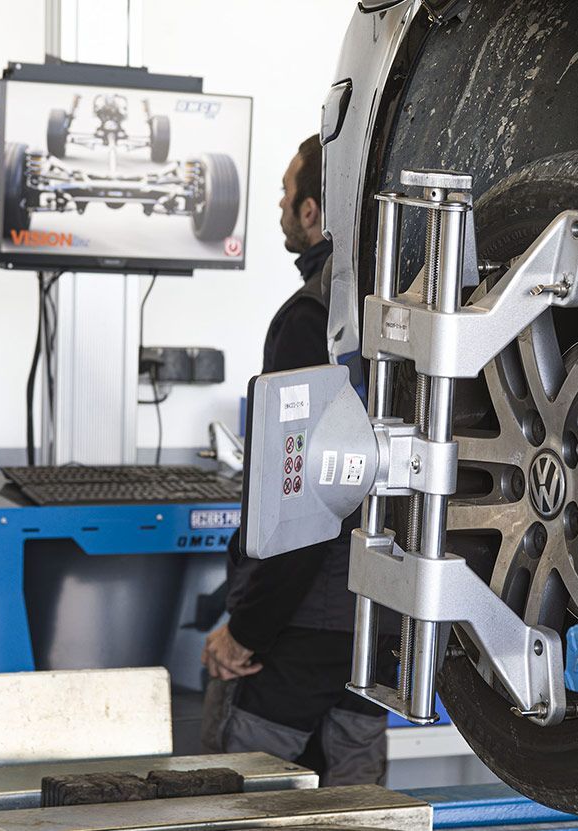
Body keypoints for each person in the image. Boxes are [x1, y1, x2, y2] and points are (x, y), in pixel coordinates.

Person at [199, 134, 397, 785]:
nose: (280, 204)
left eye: (287, 192)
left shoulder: (311, 318)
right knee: (358, 810)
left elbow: (305, 501)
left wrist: (246, 631)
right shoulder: (400, 306)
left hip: (299, 630)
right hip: (377, 627)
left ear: (312, 210)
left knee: (244, 799)